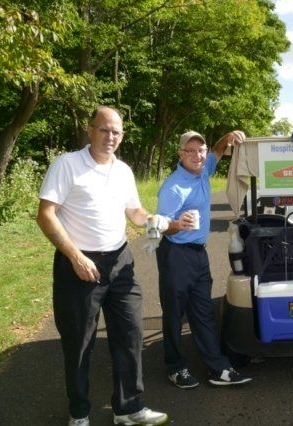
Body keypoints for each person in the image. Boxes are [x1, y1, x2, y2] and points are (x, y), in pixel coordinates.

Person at [37, 106, 169, 425]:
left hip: (120, 261)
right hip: (79, 264)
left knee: (130, 334)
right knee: (79, 342)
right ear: (90, 129)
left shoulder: (123, 170)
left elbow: (134, 211)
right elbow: (46, 214)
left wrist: (152, 219)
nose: (110, 137)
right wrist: (75, 256)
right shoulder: (66, 165)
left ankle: (128, 408)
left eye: (117, 132)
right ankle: (79, 413)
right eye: (104, 129)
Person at [155, 130, 252, 389]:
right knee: (174, 314)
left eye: (200, 149)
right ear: (180, 153)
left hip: (199, 253)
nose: (197, 155)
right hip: (175, 253)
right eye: (190, 150)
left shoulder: (204, 169)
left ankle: (218, 368)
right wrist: (177, 223)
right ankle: (175, 367)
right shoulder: (173, 186)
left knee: (204, 312)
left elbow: (218, 151)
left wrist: (228, 137)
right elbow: (158, 226)